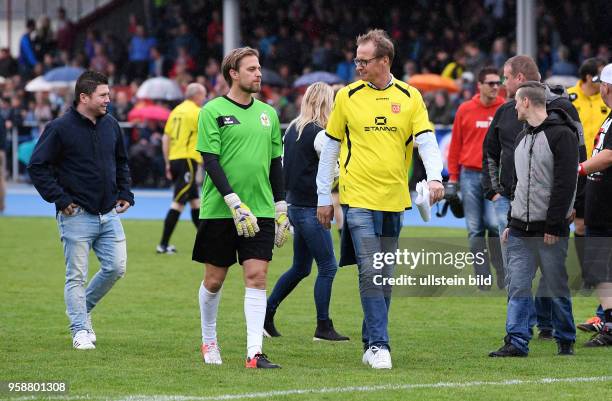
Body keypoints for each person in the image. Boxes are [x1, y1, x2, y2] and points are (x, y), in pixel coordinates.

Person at [317, 29, 444, 369]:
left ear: (384, 60)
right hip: (356, 197)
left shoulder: (410, 96)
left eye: (364, 60)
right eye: (356, 59)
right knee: (372, 271)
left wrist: (434, 176)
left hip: (394, 199)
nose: (357, 65)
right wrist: (323, 197)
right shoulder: (346, 96)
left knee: (384, 273)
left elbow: (427, 140)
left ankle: (369, 340)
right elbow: (330, 147)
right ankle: (380, 345)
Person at [192, 47, 288, 369]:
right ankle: (209, 340)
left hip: (260, 209)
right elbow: (211, 161)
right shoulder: (212, 111)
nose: (258, 74)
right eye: (251, 69)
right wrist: (233, 201)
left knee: (257, 276)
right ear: (233, 73)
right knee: (215, 280)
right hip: (221, 210)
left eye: (259, 68)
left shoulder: (269, 114)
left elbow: (276, 164)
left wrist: (281, 206)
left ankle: (254, 353)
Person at [28, 71, 134, 350]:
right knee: (76, 275)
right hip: (76, 216)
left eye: (108, 95)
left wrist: (125, 192)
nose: (108, 100)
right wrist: (60, 199)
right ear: (83, 97)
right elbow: (37, 167)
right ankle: (79, 329)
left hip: (109, 214)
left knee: (116, 268)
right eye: (103, 95)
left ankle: (81, 309)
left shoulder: (111, 124)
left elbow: (121, 161)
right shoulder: (59, 128)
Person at [482, 55, 585, 340]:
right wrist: (495, 191)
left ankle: (554, 329)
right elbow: (492, 152)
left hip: (551, 213)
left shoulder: (562, 116)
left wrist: (572, 207)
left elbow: (573, 168)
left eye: (505, 77)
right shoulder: (510, 119)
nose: (503, 84)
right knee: (518, 277)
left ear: (520, 81)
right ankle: (518, 335)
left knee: (552, 276)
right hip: (516, 210)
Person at [264, 82, 349, 341]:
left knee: (301, 267)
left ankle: (266, 315)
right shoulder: (321, 134)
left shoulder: (292, 128)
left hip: (294, 205)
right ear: (326, 103)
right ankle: (323, 326)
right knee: (328, 267)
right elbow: (333, 170)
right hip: (312, 207)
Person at [448, 66, 505, 290]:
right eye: (490, 83)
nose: (495, 86)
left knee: (494, 224)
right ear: (479, 85)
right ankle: (482, 276)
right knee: (474, 229)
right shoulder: (465, 109)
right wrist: (453, 178)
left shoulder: (505, 108)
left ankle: (500, 270)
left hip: (496, 174)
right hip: (470, 174)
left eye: (497, 82)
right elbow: (455, 146)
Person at [567, 58, 609, 302]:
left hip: (596, 167)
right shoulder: (570, 99)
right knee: (580, 225)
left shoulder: (605, 104)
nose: (600, 86)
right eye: (597, 80)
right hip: (582, 167)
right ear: (586, 78)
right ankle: (587, 276)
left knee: (593, 226)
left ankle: (594, 277)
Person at [578, 63, 612, 347]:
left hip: (607, 208)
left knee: (600, 269)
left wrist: (577, 170)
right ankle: (609, 321)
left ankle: (610, 324)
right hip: (600, 206)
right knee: (599, 269)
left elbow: (609, 155)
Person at [156, 83, 207, 254]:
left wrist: (168, 162)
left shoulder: (176, 111)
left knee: (195, 202)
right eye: (203, 95)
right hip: (187, 160)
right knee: (178, 202)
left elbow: (166, 138)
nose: (204, 98)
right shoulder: (197, 112)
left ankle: (206, 244)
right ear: (197, 95)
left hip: (175, 159)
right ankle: (162, 244)